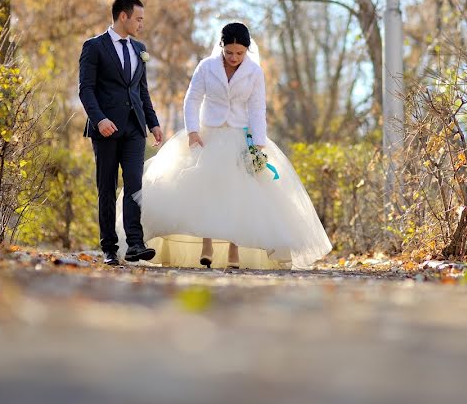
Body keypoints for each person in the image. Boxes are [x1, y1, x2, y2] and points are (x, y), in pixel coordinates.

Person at [121, 22, 332, 269]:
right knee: (206, 189)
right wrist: (192, 131)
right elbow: (192, 99)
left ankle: (234, 249)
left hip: (240, 135)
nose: (233, 57)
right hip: (207, 133)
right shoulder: (206, 67)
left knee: (237, 194)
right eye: (229, 52)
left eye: (239, 53)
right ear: (221, 47)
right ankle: (206, 245)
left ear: (247, 50)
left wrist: (259, 143)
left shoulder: (254, 72)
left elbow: (256, 108)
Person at [78, 0, 164, 266]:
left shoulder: (140, 48)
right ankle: (109, 247)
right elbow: (86, 89)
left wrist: (153, 122)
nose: (141, 23)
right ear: (123, 16)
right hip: (106, 129)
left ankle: (135, 244)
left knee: (135, 185)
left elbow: (141, 90)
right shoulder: (94, 47)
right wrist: (99, 119)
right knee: (106, 187)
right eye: (138, 18)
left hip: (134, 128)